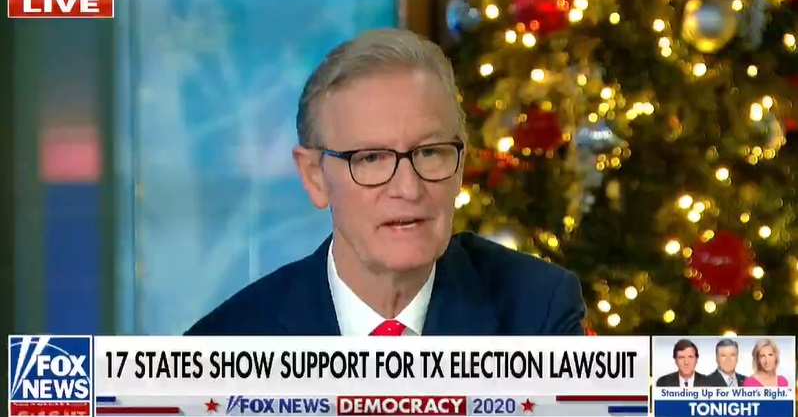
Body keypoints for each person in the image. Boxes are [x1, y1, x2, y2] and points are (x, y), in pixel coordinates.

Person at [185, 28, 587, 336]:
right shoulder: (228, 344)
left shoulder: (538, 312)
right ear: (314, 176)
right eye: (371, 159)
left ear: (461, 163)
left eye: (429, 152)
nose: (408, 189)